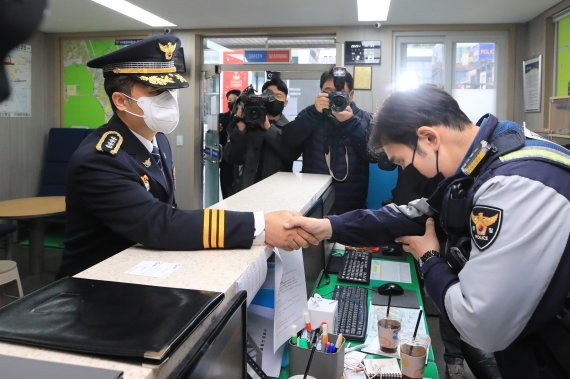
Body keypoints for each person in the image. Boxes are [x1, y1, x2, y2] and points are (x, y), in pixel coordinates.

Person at [286, 85, 570, 377]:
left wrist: (429, 259)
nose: (412, 171)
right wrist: (328, 226)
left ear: (429, 137)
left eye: (403, 162)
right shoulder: (486, 156)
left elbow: (479, 325)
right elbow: (408, 217)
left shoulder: (513, 186)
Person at [59, 35, 317, 277]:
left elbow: (168, 211)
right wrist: (259, 226)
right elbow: (159, 223)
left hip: (139, 272)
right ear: (121, 101)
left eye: (171, 91)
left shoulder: (158, 139)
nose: (169, 100)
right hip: (93, 287)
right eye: (155, 92)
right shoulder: (100, 160)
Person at [282, 67, 372, 214]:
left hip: (351, 205)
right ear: (320, 93)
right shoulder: (310, 114)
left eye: (340, 91)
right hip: (315, 199)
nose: (334, 95)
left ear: (351, 95)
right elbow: (287, 144)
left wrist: (350, 123)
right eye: (328, 91)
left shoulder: (364, 118)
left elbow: (372, 155)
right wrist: (313, 115)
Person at [223, 78, 294, 192]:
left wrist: (268, 128)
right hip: (247, 192)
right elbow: (231, 157)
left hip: (277, 193)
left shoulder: (290, 128)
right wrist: (240, 129)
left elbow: (290, 154)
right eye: (269, 95)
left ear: (285, 103)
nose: (274, 99)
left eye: (279, 96)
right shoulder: (249, 124)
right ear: (262, 98)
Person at [218, 89, 241, 198]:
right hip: (226, 164)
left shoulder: (246, 119)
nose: (231, 103)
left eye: (234, 100)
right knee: (226, 194)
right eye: (229, 100)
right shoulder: (222, 118)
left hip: (239, 165)